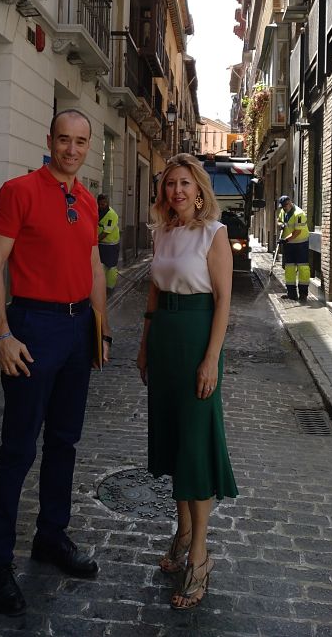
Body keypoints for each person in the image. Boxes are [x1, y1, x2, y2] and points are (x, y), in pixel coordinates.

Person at [0, 109, 112, 616]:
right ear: (50, 140)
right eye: (64, 139)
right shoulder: (19, 191)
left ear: (88, 146)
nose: (72, 150)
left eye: (81, 142)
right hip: (32, 327)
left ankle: (51, 537)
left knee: (64, 441)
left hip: (79, 331)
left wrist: (99, 328)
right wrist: (2, 334)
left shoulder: (85, 198)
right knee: (17, 448)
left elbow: (94, 264)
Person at [136, 153, 237, 611]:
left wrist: (211, 359)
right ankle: (181, 534)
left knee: (196, 444)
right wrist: (143, 345)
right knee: (175, 441)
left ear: (200, 190)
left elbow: (222, 303)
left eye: (185, 184)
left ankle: (200, 555)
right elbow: (154, 294)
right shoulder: (162, 233)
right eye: (170, 184)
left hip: (197, 339)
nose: (177, 191)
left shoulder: (214, 235)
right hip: (164, 343)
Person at [277, 194, 310, 301]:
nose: (284, 208)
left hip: (301, 244)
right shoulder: (283, 211)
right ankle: (291, 293)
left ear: (290, 203)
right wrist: (280, 224)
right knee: (289, 268)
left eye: (285, 206)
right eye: (282, 206)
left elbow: (297, 232)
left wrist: (285, 240)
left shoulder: (299, 214)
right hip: (289, 245)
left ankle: (303, 294)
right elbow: (279, 220)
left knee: (303, 268)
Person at [97, 193, 120, 295]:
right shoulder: (97, 211)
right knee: (101, 266)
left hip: (111, 245)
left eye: (104, 204)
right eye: (100, 204)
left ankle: (110, 287)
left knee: (110, 267)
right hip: (100, 244)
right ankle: (101, 286)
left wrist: (94, 240)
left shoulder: (111, 215)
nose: (102, 206)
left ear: (107, 203)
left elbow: (106, 232)